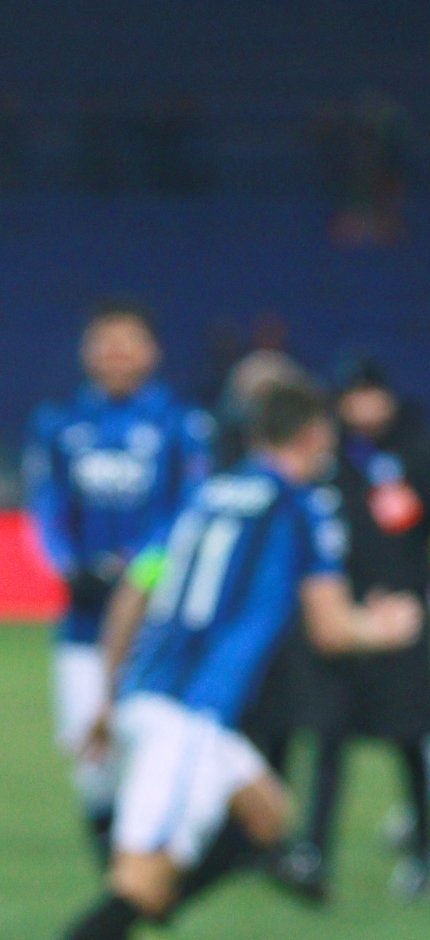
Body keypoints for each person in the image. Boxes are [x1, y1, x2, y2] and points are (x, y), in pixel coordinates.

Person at [62, 379, 422, 939]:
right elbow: (331, 629)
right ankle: (142, 905)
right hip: (190, 714)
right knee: (138, 883)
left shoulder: (203, 496)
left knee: (267, 814)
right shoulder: (300, 507)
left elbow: (134, 590)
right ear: (313, 434)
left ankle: (163, 900)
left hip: (145, 692)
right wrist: (387, 627)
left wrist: (109, 695)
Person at [23, 300, 214, 867]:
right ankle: (117, 863)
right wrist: (69, 568)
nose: (116, 354)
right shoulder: (60, 423)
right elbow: (46, 507)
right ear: (86, 352)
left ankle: (138, 867)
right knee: (91, 755)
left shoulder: (180, 424)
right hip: (84, 623)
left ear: (152, 351)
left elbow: (189, 511)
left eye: (128, 342)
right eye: (105, 342)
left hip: (155, 622)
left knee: (148, 745)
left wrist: (143, 572)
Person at [269, 359, 430, 903]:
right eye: (355, 396)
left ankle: (424, 853)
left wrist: (422, 592)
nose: (365, 407)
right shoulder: (328, 460)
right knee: (328, 739)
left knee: (413, 742)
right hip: (343, 619)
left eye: (373, 394)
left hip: (404, 618)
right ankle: (313, 852)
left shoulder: (417, 451)